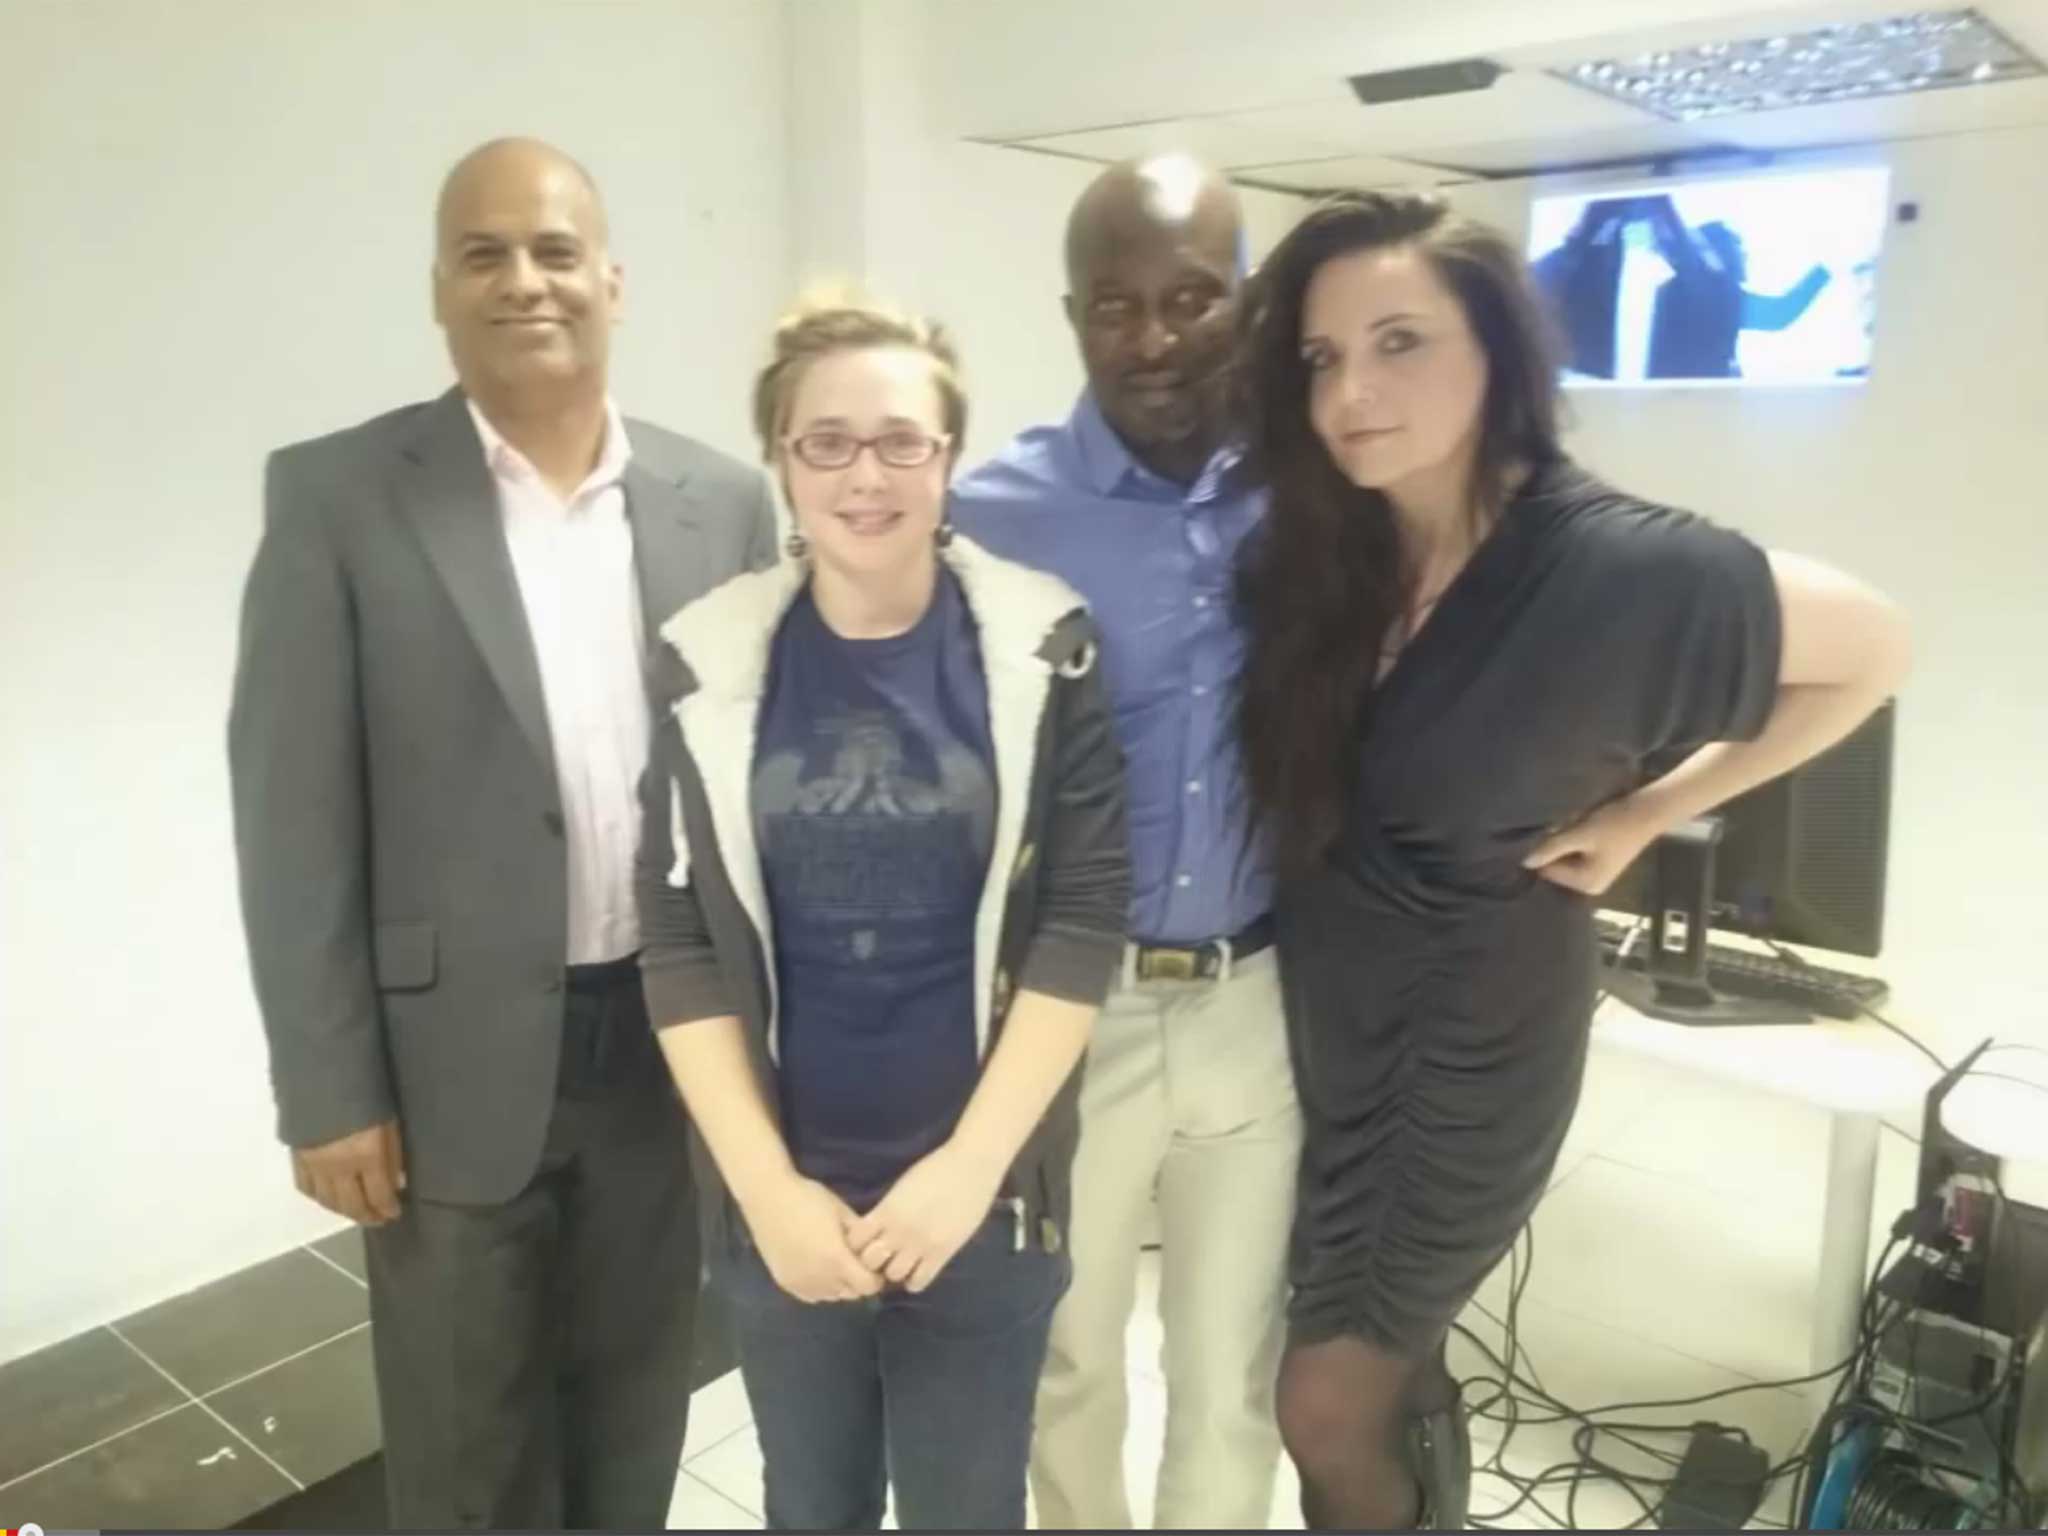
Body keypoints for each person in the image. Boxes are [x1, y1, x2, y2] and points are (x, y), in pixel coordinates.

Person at [1234, 191, 1911, 1530]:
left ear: (1498, 357)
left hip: (1469, 1043)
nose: (1353, 390)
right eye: (1322, 357)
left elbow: (1876, 648)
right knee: (1385, 1358)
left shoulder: (1612, 569)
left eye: (1400, 342)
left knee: (1322, 1395)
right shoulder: (1329, 553)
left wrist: (1661, 811)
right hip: (1329, 1022)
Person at [228, 138, 776, 1528]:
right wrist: (327, 1082)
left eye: (552, 251)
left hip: (664, 1057)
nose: (523, 280)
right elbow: (291, 816)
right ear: (438, 289)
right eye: (485, 254)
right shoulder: (340, 499)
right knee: (465, 1453)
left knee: (634, 1420)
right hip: (441, 1074)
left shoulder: (722, 506)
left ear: (612, 279)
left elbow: (751, 791)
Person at [637, 295, 1131, 1532]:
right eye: (828, 442)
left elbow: (1080, 916)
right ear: (783, 462)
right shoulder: (705, 668)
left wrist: (967, 1174)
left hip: (980, 1207)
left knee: (967, 1511)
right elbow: (680, 941)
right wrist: (767, 1194)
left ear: (947, 458)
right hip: (785, 1210)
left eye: (901, 440)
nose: (867, 475)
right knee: (812, 1509)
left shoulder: (1045, 651)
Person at [952, 154, 1301, 1530]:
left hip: (1259, 1003)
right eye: (1113, 306)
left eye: (1191, 299)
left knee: (1229, 1377)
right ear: (1072, 314)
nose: (1150, 339)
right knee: (1069, 1359)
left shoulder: (1317, 492)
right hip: (1067, 1012)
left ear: (1250, 305)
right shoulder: (991, 513)